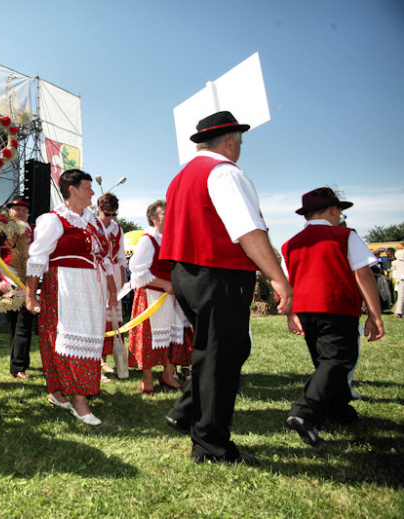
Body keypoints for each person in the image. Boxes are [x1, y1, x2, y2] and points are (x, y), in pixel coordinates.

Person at [160, 111, 292, 465]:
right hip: (218, 273)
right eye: (240, 144)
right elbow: (248, 230)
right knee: (220, 358)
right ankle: (210, 446)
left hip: (185, 274)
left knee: (213, 352)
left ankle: (189, 414)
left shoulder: (180, 178)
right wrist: (277, 277)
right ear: (230, 142)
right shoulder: (225, 172)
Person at [282, 187, 384, 447]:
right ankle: (304, 413)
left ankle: (339, 411)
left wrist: (290, 314)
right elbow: (363, 275)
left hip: (305, 309)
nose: (340, 215)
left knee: (325, 363)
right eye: (339, 210)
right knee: (340, 359)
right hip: (335, 305)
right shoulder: (345, 235)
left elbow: (289, 281)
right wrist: (375, 313)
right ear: (331, 210)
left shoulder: (290, 243)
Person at [26, 169, 116, 426]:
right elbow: (37, 259)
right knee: (65, 339)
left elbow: (104, 259)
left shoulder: (93, 221)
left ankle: (57, 392)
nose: (93, 192)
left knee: (84, 339)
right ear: (72, 190)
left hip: (91, 289)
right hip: (66, 286)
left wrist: (111, 291)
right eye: (88, 187)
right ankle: (78, 400)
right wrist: (31, 296)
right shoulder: (54, 219)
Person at [127, 200, 192, 395]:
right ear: (154, 218)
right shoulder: (148, 239)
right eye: (165, 214)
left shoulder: (173, 239)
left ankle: (168, 376)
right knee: (148, 339)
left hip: (172, 297)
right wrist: (164, 284)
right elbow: (136, 271)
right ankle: (147, 378)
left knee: (173, 336)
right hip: (152, 296)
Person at [0, 196, 35, 380]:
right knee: (13, 325)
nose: (21, 213)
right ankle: (19, 364)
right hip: (7, 283)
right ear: (9, 212)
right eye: (17, 210)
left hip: (29, 283)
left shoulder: (34, 231)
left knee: (24, 324)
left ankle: (19, 365)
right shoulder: (0, 232)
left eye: (24, 210)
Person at [96, 193, 126, 382]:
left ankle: (109, 358)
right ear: (99, 209)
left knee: (114, 319)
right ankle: (97, 360)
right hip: (98, 273)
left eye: (114, 214)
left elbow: (121, 256)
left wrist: (122, 282)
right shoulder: (92, 225)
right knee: (99, 318)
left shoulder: (118, 228)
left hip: (114, 272)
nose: (110, 218)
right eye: (107, 214)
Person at [391, 249, 404, 318]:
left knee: (401, 296)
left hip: (400, 280)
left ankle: (399, 312)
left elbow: (393, 271)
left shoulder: (394, 262)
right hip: (401, 280)